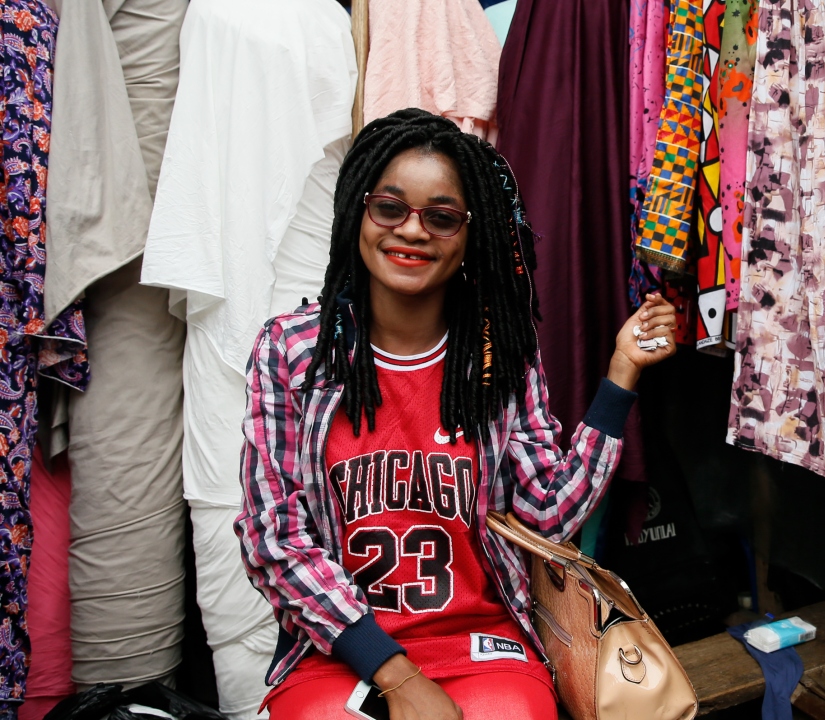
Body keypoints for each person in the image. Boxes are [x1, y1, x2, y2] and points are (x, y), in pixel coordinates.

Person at [235, 109, 677, 720]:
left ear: (472, 235)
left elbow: (545, 516)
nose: (412, 231)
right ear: (357, 213)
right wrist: (395, 675)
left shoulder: (498, 355)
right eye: (389, 208)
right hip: (341, 648)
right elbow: (273, 536)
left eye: (441, 217)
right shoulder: (292, 352)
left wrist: (620, 376)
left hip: (482, 645)